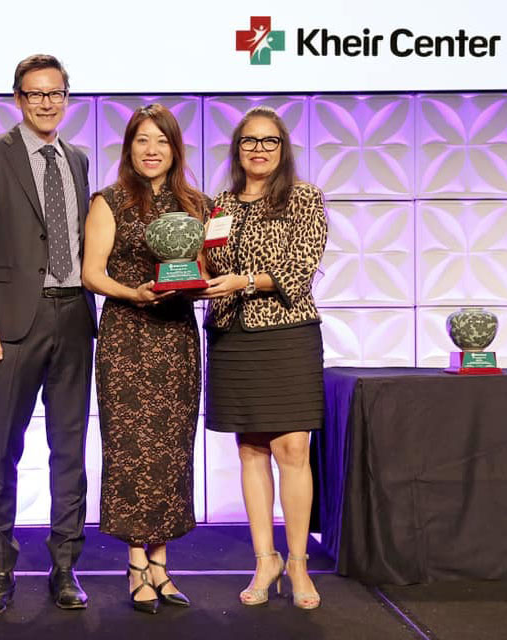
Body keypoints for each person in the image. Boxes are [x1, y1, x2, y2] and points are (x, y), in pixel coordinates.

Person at [0, 54, 96, 614]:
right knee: (2, 450)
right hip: (12, 323)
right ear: (17, 98)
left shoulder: (79, 160)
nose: (46, 102)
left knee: (70, 449)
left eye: (55, 93)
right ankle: (0, 569)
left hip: (73, 317)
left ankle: (65, 567)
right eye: (35, 93)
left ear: (67, 98)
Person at [82, 104, 210, 614]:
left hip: (177, 337)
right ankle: (136, 562)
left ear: (175, 149)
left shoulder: (196, 204)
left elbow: (203, 268)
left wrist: (202, 284)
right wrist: (132, 293)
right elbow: (92, 273)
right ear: (129, 148)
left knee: (172, 451)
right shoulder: (108, 200)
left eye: (161, 140)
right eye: (142, 140)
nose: (152, 149)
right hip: (128, 337)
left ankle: (162, 564)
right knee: (132, 450)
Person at [201, 106, 327, 609]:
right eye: (249, 140)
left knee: (292, 448)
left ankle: (297, 563)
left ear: (283, 148)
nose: (259, 149)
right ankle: (264, 559)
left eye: (269, 141)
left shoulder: (304, 197)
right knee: (251, 448)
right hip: (233, 335)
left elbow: (302, 262)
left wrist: (247, 280)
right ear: (237, 148)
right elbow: (209, 262)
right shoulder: (221, 205)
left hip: (288, 331)